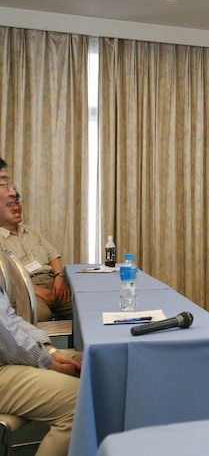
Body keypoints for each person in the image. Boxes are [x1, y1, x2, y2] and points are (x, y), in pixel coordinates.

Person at [0, 157, 80, 456]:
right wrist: (49, 359)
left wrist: (49, 350)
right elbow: (7, 339)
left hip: (8, 356)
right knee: (81, 399)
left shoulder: (31, 232)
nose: (13, 193)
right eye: (3, 184)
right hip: (5, 363)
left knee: (94, 364)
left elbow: (8, 320)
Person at [0, 190, 72, 322]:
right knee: (40, 315)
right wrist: (38, 291)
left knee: (84, 307)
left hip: (52, 281)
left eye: (17, 202)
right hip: (24, 288)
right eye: (10, 204)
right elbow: (6, 279)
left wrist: (59, 279)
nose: (16, 208)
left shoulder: (32, 231)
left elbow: (53, 256)